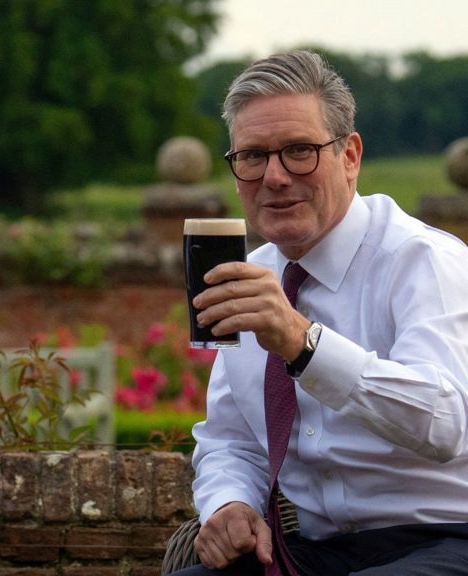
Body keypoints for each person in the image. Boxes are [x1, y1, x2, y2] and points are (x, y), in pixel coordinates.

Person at [172, 50, 468, 575]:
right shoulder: (251, 275)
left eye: (299, 151)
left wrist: (302, 342)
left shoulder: (425, 262)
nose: (275, 176)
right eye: (252, 156)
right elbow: (230, 439)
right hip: (312, 549)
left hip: (446, 538)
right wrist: (229, 502)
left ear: (350, 155)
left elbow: (444, 424)